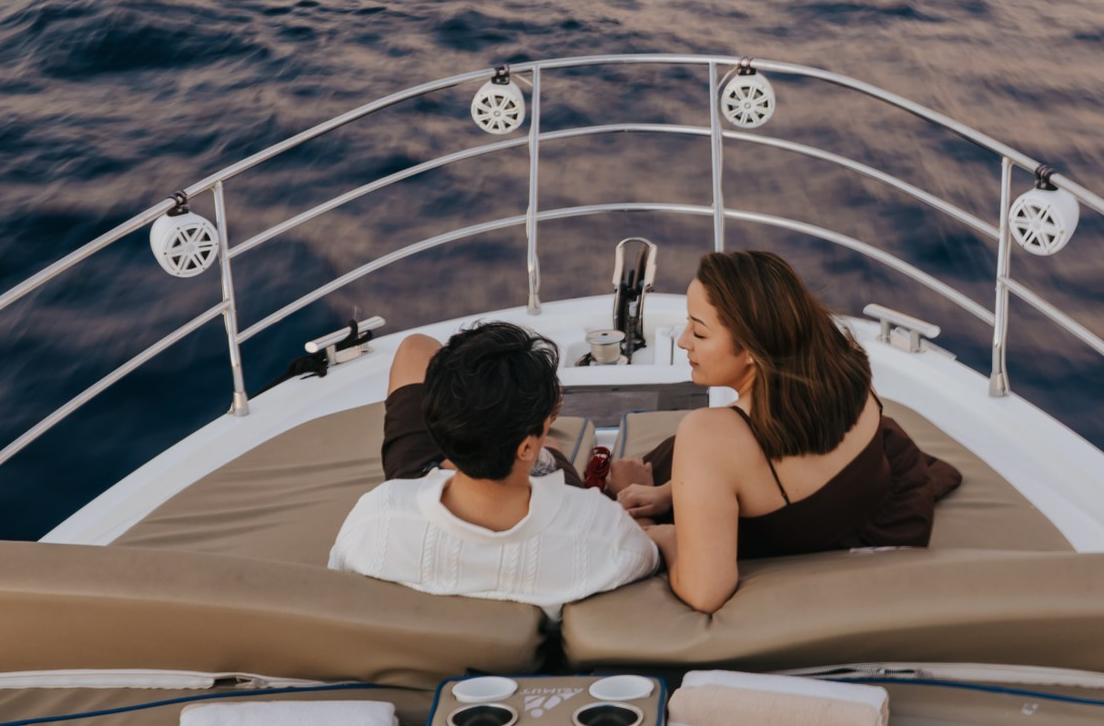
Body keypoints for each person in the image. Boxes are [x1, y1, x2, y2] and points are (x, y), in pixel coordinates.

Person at [616, 250, 961, 613]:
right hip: (877, 504)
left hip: (808, 537)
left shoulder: (709, 437)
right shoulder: (841, 363)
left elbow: (705, 592)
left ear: (752, 348)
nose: (683, 341)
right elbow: (788, 456)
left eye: (699, 331)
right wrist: (670, 492)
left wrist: (663, 533)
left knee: (626, 482)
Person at [330, 322, 659, 614]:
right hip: (541, 504)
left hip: (429, 489)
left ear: (434, 428)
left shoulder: (374, 517)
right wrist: (636, 497)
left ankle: (500, 426)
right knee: (553, 450)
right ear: (527, 448)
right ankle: (531, 436)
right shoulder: (603, 532)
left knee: (416, 347)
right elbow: (645, 552)